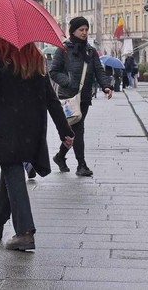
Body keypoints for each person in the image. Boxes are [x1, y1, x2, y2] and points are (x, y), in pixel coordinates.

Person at [0, 35, 75, 251]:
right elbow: (50, 98)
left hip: (5, 127)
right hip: (32, 129)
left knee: (12, 170)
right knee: (11, 170)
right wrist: (64, 131)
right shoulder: (35, 57)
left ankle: (24, 232)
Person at [49, 16, 113, 177]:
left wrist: (106, 86)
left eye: (86, 30)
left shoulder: (90, 51)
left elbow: (99, 70)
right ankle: (81, 164)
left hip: (84, 97)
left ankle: (60, 156)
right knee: (78, 129)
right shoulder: (63, 49)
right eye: (81, 30)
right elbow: (54, 71)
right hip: (68, 97)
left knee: (73, 131)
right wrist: (68, 81)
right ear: (73, 31)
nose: (84, 33)